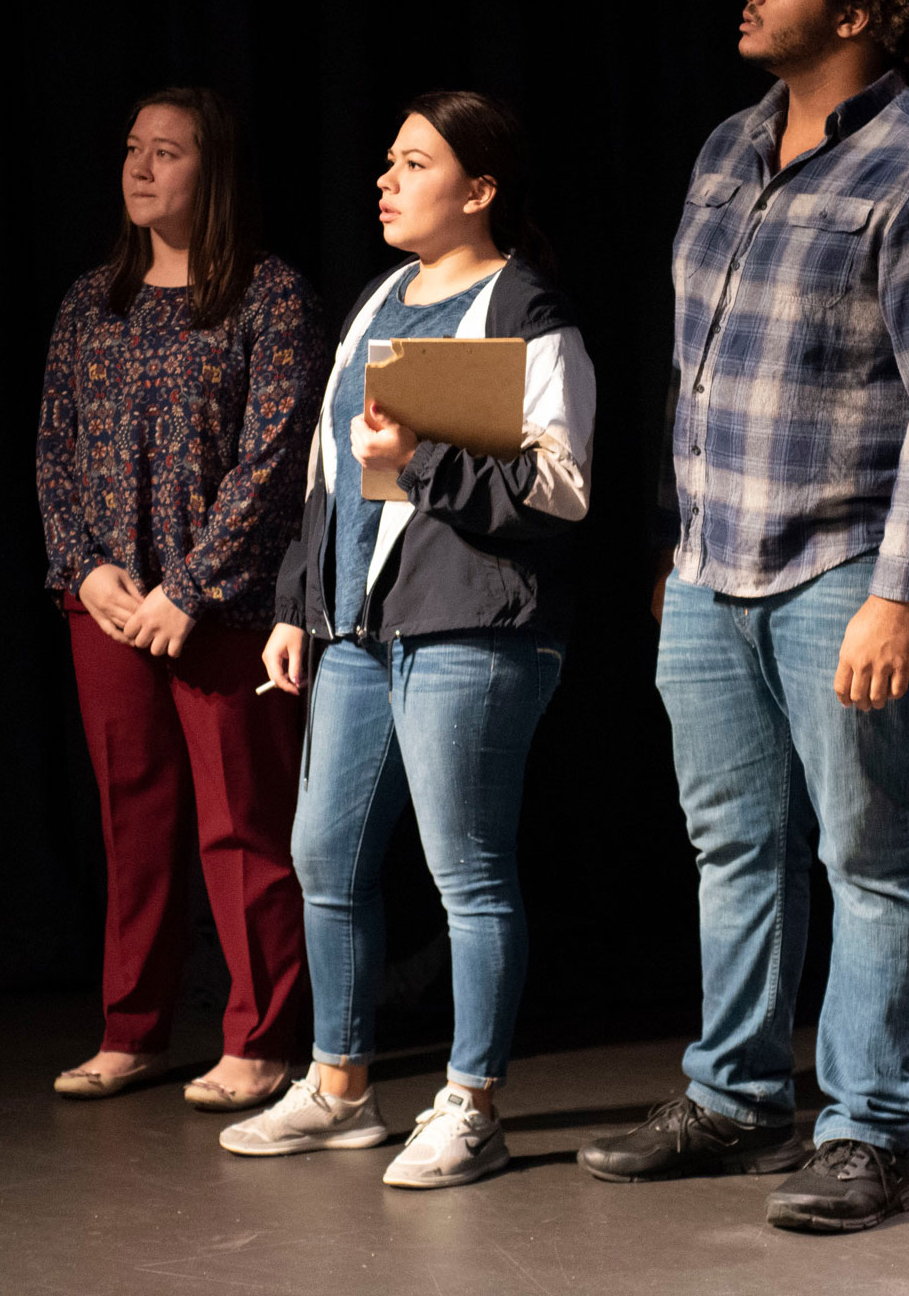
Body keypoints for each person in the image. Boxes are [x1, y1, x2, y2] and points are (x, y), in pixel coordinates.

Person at [577, 0, 909, 1234]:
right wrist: (674, 539)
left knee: (871, 853)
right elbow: (691, 376)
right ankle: (734, 1096)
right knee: (732, 845)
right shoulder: (726, 151)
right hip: (715, 563)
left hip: (851, 567)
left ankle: (870, 1133)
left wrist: (903, 589)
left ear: (862, 9)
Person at [218, 91, 595, 1190]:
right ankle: (339, 1090)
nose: (384, 181)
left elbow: (564, 489)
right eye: (386, 161)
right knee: (323, 856)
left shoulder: (526, 307)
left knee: (465, 874)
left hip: (471, 626)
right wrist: (297, 603)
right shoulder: (382, 299)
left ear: (477, 191)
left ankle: (472, 1103)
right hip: (356, 630)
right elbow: (329, 475)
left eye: (413, 163)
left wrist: (426, 455)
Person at [35, 86, 325, 1107]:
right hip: (107, 605)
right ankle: (133, 1030)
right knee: (133, 818)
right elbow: (55, 454)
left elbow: (276, 456)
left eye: (167, 151)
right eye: (131, 148)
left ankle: (261, 1036)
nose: (140, 167)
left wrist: (191, 588)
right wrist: (86, 568)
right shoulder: (90, 302)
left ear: (215, 171)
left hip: (227, 607)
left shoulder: (268, 296)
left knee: (242, 822)